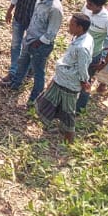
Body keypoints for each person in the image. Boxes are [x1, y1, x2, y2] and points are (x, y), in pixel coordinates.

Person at [0, 0, 62, 102]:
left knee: (38, 73)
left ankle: (34, 98)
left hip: (40, 46)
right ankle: (15, 84)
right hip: (30, 39)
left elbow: (51, 33)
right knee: (22, 64)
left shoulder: (55, 8)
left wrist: (38, 43)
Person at [36, 12, 93, 144]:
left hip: (69, 83)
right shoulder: (82, 37)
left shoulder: (82, 47)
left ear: (80, 28)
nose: (69, 26)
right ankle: (58, 128)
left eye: (72, 25)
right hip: (61, 78)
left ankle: (69, 140)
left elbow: (82, 67)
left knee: (68, 112)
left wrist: (85, 81)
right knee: (47, 101)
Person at [77, 0, 108, 113]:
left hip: (92, 56)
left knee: (86, 81)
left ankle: (80, 108)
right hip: (78, 50)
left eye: (91, 5)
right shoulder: (86, 8)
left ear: (100, 5)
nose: (87, 6)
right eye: (87, 3)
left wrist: (104, 62)